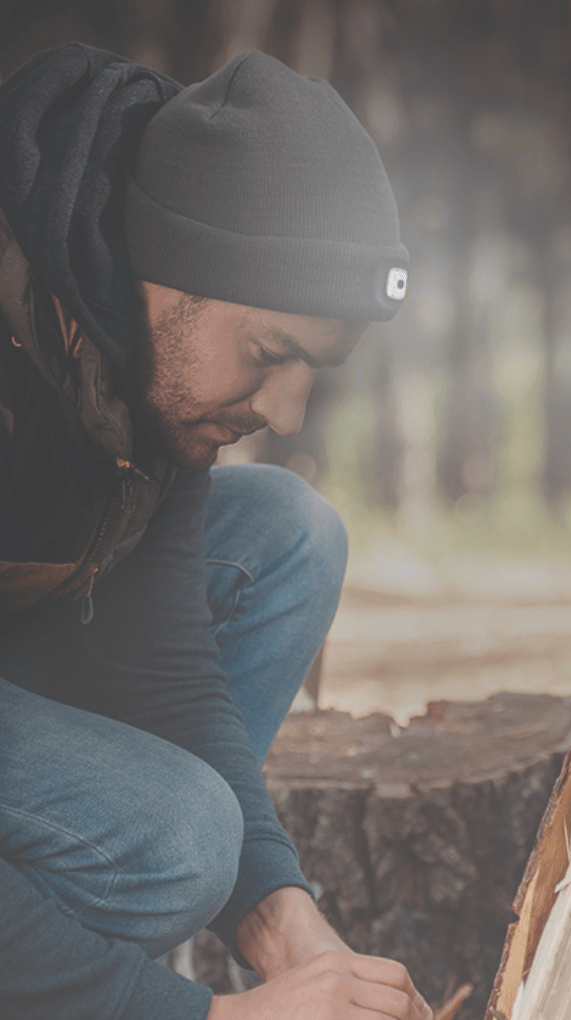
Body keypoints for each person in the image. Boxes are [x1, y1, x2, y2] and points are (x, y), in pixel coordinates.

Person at [0, 43, 429, 1020]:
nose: (286, 411)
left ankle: (88, 961)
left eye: (316, 371)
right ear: (164, 271)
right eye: (271, 353)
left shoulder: (128, 366)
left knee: (288, 529)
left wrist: (287, 927)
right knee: (175, 837)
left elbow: (164, 675)